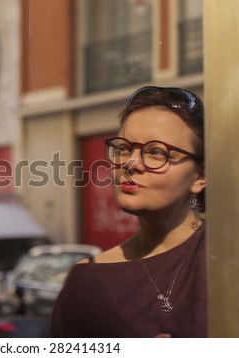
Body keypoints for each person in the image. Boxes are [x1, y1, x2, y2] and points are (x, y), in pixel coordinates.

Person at [50, 86, 206, 338]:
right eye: (122, 148)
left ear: (200, 176)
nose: (131, 163)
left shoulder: (226, 260)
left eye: (157, 152)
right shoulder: (89, 281)